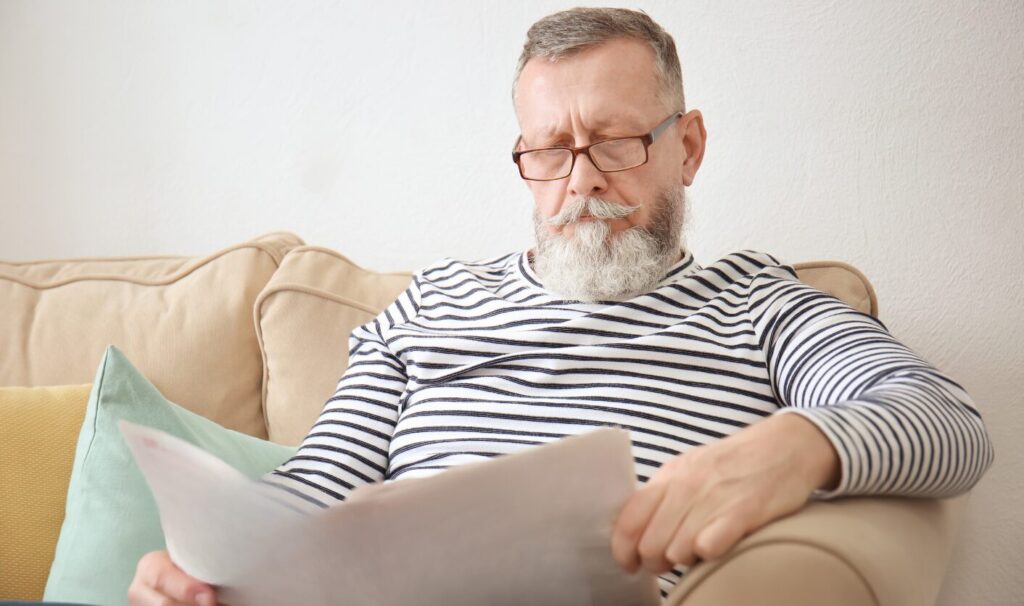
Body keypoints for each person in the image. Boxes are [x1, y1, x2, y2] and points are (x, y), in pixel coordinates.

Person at [128, 7, 994, 605]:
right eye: (549, 151)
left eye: (616, 142)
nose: (582, 181)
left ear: (686, 146)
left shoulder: (764, 303)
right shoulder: (433, 304)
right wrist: (206, 570)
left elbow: (949, 424)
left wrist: (803, 444)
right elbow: (316, 489)